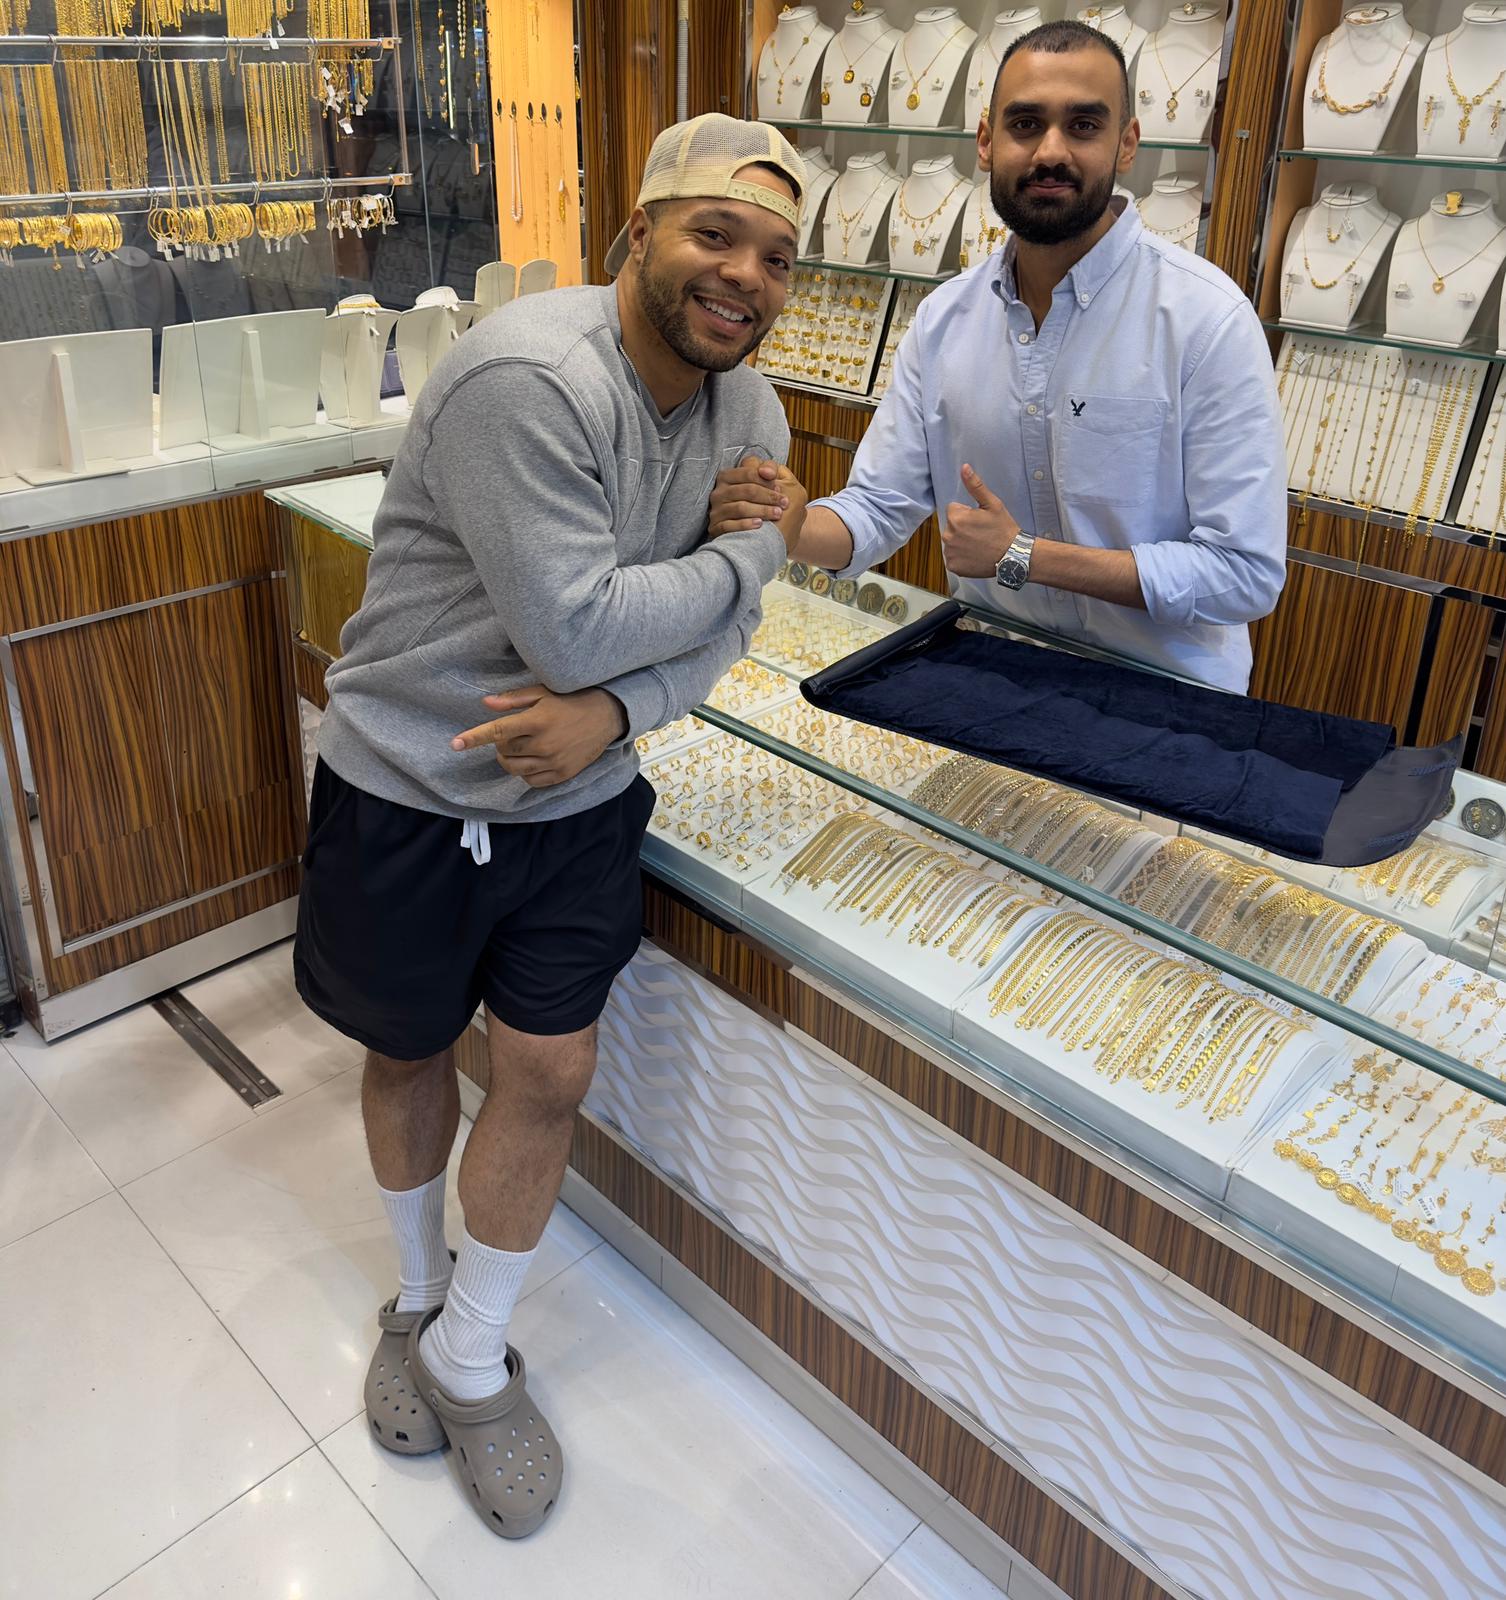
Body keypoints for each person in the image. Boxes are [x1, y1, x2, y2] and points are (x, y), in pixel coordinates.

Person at [293, 114, 809, 1538]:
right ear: (638, 232)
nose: (744, 275)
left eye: (776, 257)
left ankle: (471, 1357)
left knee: (549, 1069)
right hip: (410, 785)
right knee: (407, 1049)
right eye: (715, 233)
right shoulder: (527, 380)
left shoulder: (752, 417)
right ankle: (415, 1300)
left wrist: (617, 712)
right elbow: (574, 623)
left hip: (578, 802)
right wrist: (748, 553)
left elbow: (699, 638)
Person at [711, 20, 1286, 693]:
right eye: (1025, 124)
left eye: (1083, 126)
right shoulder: (944, 321)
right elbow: (878, 506)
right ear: (986, 142)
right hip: (993, 680)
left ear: (1127, 143)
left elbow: (1245, 574)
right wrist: (791, 524)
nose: (1051, 151)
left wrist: (1025, 557)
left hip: (1165, 700)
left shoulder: (1205, 320)